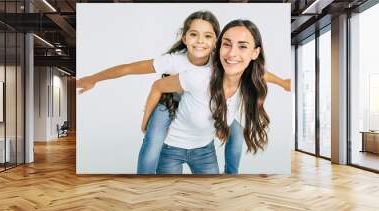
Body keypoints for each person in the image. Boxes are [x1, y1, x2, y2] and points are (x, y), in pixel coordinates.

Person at [76, 11, 289, 174]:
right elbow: (130, 69)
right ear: (185, 38)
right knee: (153, 137)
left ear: (215, 42)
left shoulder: (224, 60)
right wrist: (93, 79)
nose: (200, 41)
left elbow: (259, 73)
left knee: (236, 129)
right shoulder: (175, 62)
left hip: (205, 108)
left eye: (207, 36)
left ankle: (230, 176)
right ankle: (143, 183)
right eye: (194, 35)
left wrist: (283, 82)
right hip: (169, 101)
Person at [142, 19, 269, 174]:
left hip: (204, 151)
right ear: (219, 47)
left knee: (210, 196)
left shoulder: (250, 88)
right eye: (227, 44)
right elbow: (158, 86)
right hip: (171, 149)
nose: (232, 53)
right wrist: (146, 123)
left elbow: (262, 76)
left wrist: (283, 83)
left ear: (255, 52)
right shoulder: (198, 77)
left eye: (242, 46)